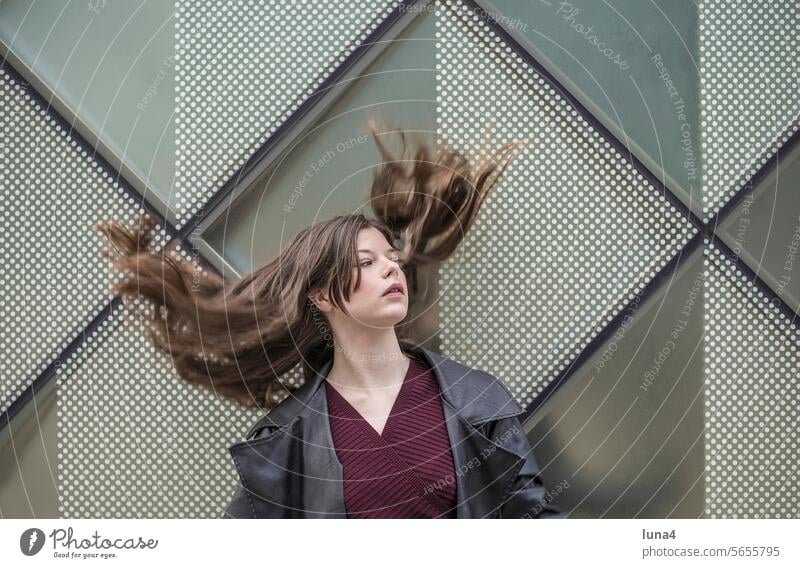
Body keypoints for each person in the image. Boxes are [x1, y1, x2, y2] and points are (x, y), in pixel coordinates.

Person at [94, 120, 565, 519]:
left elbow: (534, 524)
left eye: (391, 257)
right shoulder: (287, 439)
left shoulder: (477, 399)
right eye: (366, 262)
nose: (390, 267)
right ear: (321, 295)